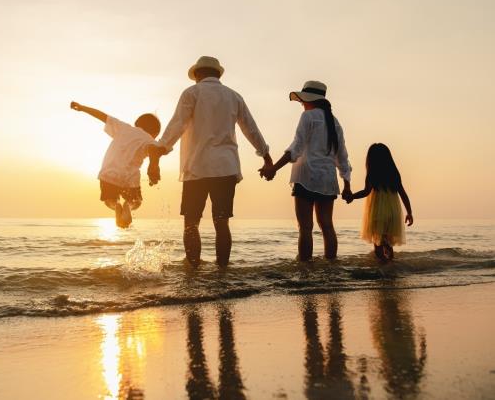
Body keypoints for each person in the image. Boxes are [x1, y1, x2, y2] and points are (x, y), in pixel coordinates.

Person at [147, 56, 272, 267]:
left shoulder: (192, 93)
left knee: (191, 223)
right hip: (226, 168)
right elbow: (251, 128)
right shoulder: (234, 96)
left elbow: (177, 125)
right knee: (222, 223)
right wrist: (267, 158)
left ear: (197, 74)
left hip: (197, 168)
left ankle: (193, 271)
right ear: (218, 74)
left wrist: (159, 151)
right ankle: (222, 273)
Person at [261, 81, 352, 261]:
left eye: (303, 101)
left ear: (310, 100)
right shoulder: (335, 122)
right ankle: (331, 267)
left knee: (305, 227)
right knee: (327, 225)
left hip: (306, 177)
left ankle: (305, 268)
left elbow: (296, 148)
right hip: (327, 180)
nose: (302, 104)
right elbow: (342, 157)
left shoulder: (308, 117)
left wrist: (273, 168)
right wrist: (347, 184)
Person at [70, 101, 161, 228]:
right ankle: (127, 206)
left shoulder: (124, 128)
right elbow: (153, 150)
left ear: (137, 124)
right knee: (136, 201)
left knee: (109, 200)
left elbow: (102, 116)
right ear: (155, 133)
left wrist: (82, 108)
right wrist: (154, 166)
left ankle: (116, 204)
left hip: (108, 173)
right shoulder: (150, 140)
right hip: (130, 177)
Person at [345, 143, 413, 260]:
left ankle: (383, 269)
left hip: (378, 213)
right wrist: (409, 213)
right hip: (393, 213)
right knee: (388, 243)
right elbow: (403, 194)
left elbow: (366, 192)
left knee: (378, 245)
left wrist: (352, 196)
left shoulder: (372, 174)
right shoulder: (394, 174)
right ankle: (390, 267)